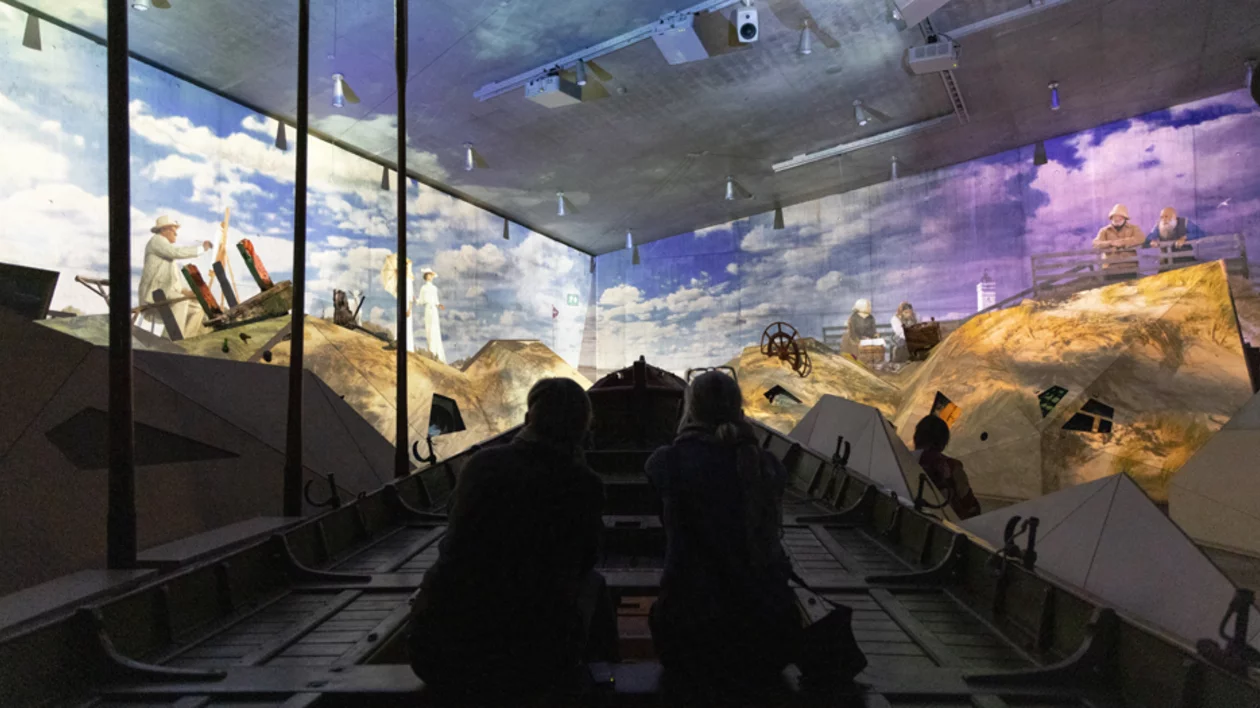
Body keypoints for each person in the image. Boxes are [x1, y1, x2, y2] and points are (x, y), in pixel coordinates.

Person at [408, 378, 618, 704]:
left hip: (435, 652)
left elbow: (454, 527)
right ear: (582, 430)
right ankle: (606, 682)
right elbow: (586, 559)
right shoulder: (583, 484)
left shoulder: (480, 465)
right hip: (531, 664)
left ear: (528, 419)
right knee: (595, 583)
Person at [645, 371, 801, 703]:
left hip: (689, 638)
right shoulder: (769, 466)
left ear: (690, 410)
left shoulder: (665, 463)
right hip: (767, 636)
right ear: (738, 409)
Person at [136, 215, 213, 338]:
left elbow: (175, 285)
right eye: (173, 230)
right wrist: (202, 248)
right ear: (164, 230)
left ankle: (186, 339)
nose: (176, 234)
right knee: (180, 303)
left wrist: (189, 293)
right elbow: (176, 252)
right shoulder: (157, 240)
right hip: (154, 293)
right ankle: (172, 340)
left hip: (166, 293)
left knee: (197, 308)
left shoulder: (169, 260)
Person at [911, 415, 981, 519]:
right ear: (943, 442)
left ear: (916, 437)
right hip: (938, 523)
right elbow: (969, 504)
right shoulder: (951, 466)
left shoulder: (901, 457)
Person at [1091, 204, 1145, 280]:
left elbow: (1141, 238)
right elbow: (1095, 243)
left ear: (1125, 218)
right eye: (1114, 216)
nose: (1116, 218)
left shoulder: (1134, 228)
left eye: (1120, 216)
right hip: (1110, 267)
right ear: (1111, 217)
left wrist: (1122, 242)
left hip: (1129, 266)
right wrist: (1110, 243)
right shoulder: (1104, 230)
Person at [380, 254, 416, 352]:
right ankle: (398, 342)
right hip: (401, 304)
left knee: (406, 324)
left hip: (406, 305)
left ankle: (406, 345)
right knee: (399, 322)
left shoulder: (408, 279)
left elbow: (410, 296)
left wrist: (409, 309)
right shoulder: (401, 280)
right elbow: (398, 293)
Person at [419, 267, 447, 363]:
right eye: (428, 275)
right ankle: (431, 351)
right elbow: (421, 300)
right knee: (429, 329)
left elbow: (436, 300)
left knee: (435, 329)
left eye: (431, 275)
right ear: (425, 276)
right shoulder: (423, 288)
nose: (429, 276)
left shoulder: (434, 288)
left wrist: (439, 305)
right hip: (427, 309)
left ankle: (437, 353)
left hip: (434, 310)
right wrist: (415, 300)